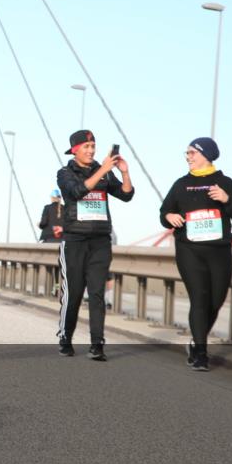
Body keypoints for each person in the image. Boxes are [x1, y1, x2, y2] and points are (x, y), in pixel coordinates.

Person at [159, 137, 232, 371]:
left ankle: (195, 341)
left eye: (192, 153)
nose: (188, 157)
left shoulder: (225, 183)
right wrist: (169, 216)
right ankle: (201, 353)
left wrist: (227, 200)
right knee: (199, 298)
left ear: (206, 155)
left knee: (215, 300)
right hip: (189, 250)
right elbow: (164, 212)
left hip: (219, 251)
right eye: (187, 153)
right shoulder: (181, 184)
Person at [56, 130, 134, 361]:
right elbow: (78, 191)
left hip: (100, 241)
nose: (91, 151)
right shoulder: (65, 173)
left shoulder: (104, 172)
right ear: (75, 150)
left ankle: (97, 344)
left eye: (93, 146)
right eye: (86, 147)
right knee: (74, 293)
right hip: (74, 241)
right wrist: (103, 170)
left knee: (97, 293)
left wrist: (124, 172)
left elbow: (126, 195)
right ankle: (65, 336)